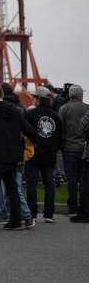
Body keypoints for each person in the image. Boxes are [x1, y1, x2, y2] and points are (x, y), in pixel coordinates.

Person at [0, 84, 37, 231]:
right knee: (12, 189)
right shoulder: (15, 111)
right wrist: (35, 142)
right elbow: (28, 130)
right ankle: (15, 220)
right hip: (13, 157)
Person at [24, 86, 63, 224]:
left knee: (31, 184)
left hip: (33, 154)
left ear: (38, 99)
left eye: (35, 97)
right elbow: (60, 138)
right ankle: (49, 213)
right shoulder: (56, 116)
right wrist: (53, 148)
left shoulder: (30, 114)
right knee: (49, 184)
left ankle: (32, 213)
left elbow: (24, 132)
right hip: (49, 154)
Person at [58, 85, 89, 216]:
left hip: (69, 148)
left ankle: (72, 207)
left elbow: (61, 130)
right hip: (84, 148)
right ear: (81, 95)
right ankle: (84, 205)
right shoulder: (87, 108)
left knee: (71, 179)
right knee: (84, 179)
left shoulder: (63, 109)